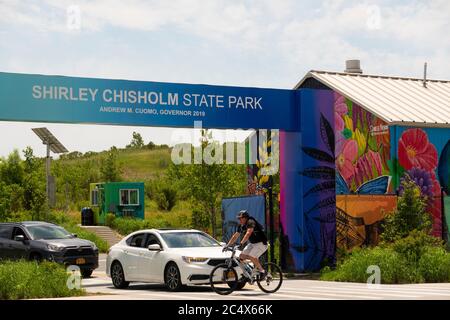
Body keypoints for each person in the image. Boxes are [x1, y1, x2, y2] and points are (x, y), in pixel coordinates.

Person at [224, 210, 268, 278]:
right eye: (238, 218)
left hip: (261, 244)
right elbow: (235, 236)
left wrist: (241, 243)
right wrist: (227, 245)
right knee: (241, 257)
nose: (239, 220)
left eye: (240, 218)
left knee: (252, 256)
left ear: (245, 218)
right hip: (253, 244)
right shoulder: (241, 226)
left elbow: (248, 233)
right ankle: (248, 272)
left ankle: (263, 271)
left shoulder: (250, 222)